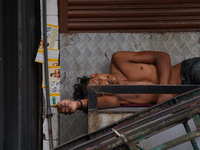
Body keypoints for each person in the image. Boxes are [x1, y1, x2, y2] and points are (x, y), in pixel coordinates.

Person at [56, 51, 200, 114]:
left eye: (99, 80)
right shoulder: (118, 97)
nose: (106, 83)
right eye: (101, 89)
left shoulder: (119, 59)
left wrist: (163, 90)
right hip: (189, 98)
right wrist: (77, 104)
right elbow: (100, 102)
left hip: (187, 71)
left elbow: (162, 57)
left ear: (95, 74)